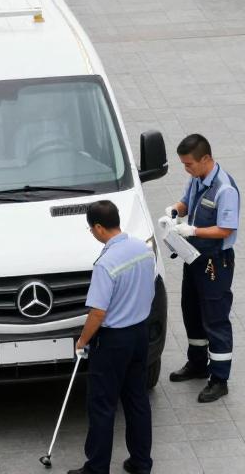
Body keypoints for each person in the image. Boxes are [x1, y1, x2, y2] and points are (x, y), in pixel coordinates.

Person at [68, 200, 156, 474]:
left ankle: (97, 468)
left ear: (98, 228)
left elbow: (97, 312)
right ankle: (141, 462)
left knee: (102, 405)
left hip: (113, 342)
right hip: (139, 334)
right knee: (136, 399)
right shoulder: (143, 250)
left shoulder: (106, 264)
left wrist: (82, 341)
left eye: (90, 229)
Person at [166, 134, 239, 403]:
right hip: (194, 257)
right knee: (192, 310)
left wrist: (193, 230)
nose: (187, 169)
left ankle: (219, 379)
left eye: (189, 164)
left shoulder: (225, 189)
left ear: (205, 158)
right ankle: (197, 364)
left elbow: (226, 229)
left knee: (215, 318)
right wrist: (175, 210)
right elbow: (186, 203)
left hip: (214, 263)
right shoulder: (198, 179)